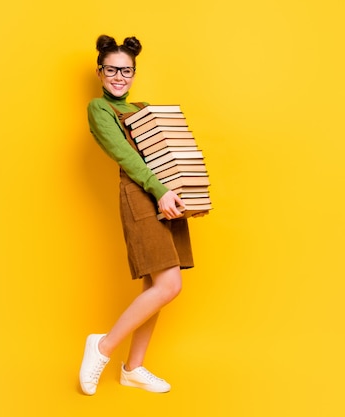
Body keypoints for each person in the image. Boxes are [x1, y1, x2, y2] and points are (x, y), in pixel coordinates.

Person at [79, 34, 206, 395]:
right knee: (170, 285)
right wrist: (161, 190)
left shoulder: (145, 108)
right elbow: (126, 156)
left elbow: (172, 150)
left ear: (134, 73)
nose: (119, 77)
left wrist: (183, 189)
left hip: (169, 196)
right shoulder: (99, 108)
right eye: (112, 69)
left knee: (156, 287)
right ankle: (101, 347)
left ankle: (133, 368)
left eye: (127, 71)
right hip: (143, 194)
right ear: (100, 71)